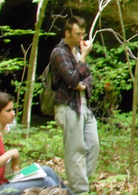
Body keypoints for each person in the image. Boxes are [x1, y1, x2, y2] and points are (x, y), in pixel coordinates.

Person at [0, 92, 73, 195]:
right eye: (8, 111)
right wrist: (11, 153)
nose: (13, 113)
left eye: (12, 109)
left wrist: (14, 162)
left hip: (2, 182)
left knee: (46, 170)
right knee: (46, 181)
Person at [49, 16, 99, 194]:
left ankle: (78, 184)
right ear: (67, 33)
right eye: (77, 34)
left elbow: (87, 77)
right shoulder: (59, 52)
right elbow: (71, 78)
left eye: (83, 34)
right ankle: (80, 191)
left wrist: (81, 82)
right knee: (75, 150)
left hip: (84, 105)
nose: (81, 38)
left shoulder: (77, 52)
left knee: (93, 145)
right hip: (68, 105)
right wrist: (84, 58)